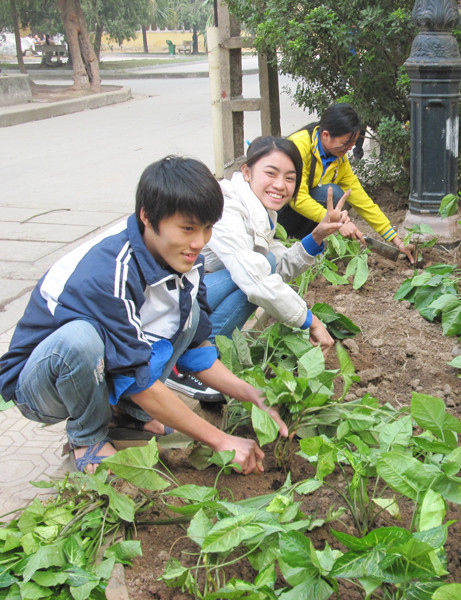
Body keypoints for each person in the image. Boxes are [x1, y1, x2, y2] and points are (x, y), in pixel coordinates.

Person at [0, 156, 288, 474]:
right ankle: (87, 437)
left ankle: (127, 415)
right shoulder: (110, 272)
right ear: (148, 218)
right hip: (40, 385)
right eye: (187, 228)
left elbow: (195, 350)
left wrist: (253, 395)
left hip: (95, 368)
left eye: (207, 228)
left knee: (186, 311)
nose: (199, 242)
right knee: (81, 340)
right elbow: (138, 381)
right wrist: (220, 440)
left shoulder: (184, 260)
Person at [200, 136, 348, 350]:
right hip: (174, 305)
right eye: (270, 173)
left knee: (263, 263)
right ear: (247, 172)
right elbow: (256, 277)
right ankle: (201, 355)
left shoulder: (260, 210)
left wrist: (317, 236)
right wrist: (310, 321)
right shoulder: (227, 207)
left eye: (290, 178)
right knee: (254, 272)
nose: (280, 185)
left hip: (197, 294)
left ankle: (206, 353)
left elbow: (277, 268)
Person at [277, 103, 415, 263]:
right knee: (331, 193)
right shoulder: (299, 147)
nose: (350, 148)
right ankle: (290, 242)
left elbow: (361, 199)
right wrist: (337, 222)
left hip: (297, 215)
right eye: (346, 143)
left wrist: (396, 241)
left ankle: (306, 244)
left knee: (335, 195)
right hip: (279, 213)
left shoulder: (338, 157)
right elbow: (297, 198)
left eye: (352, 143)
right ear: (326, 135)